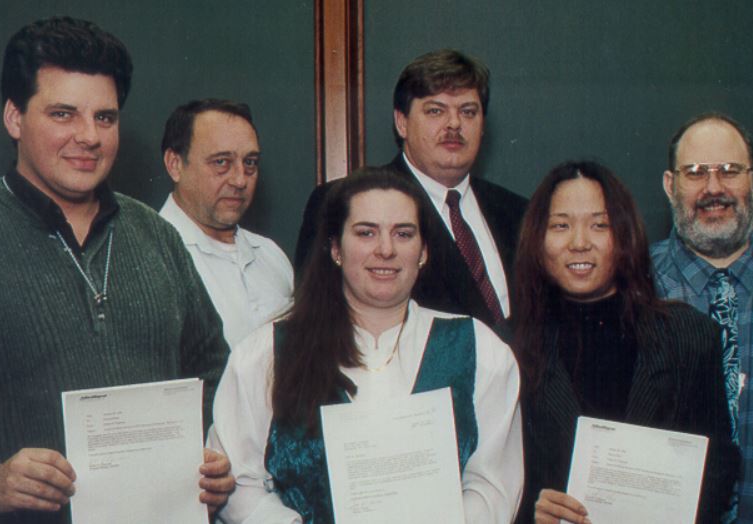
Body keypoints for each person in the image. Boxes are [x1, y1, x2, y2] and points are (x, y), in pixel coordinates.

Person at [0, 17, 233, 523]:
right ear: (14, 117)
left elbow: (214, 370)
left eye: (105, 117)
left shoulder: (157, 236)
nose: (88, 136)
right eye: (62, 114)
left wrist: (216, 455)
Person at [212, 168, 523, 523]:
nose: (386, 250)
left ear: (423, 251)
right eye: (366, 233)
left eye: (403, 234)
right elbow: (239, 481)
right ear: (335, 249)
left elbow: (492, 485)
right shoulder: (265, 354)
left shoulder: (481, 351)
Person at [513, 161, 740, 524]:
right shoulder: (506, 348)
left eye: (599, 225)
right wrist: (530, 514)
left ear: (624, 236)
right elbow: (490, 480)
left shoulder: (690, 335)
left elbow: (718, 469)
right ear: (537, 239)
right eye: (561, 225)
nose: (580, 243)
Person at [651, 113, 753, 523]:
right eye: (695, 173)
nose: (713, 188)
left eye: (729, 171)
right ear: (671, 185)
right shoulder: (632, 284)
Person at [295, 49, 527, 329]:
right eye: (435, 111)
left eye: (468, 112)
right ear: (402, 122)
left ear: (482, 126)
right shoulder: (342, 201)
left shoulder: (517, 212)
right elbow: (317, 322)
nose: (454, 124)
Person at [160, 98, 294, 348]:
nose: (240, 180)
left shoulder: (271, 255)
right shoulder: (150, 256)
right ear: (175, 164)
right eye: (221, 162)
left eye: (250, 163)